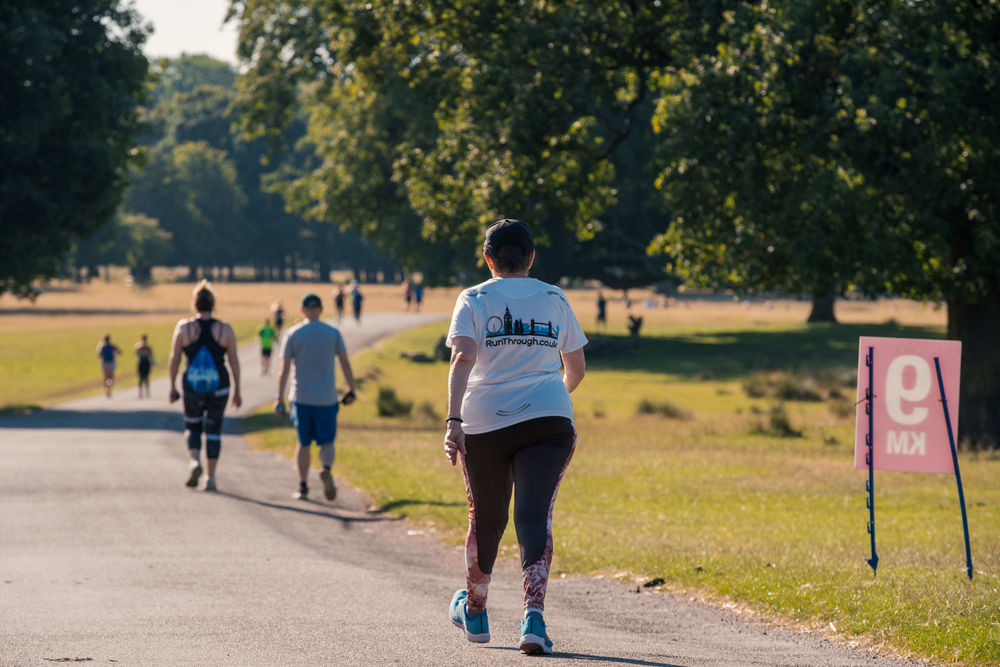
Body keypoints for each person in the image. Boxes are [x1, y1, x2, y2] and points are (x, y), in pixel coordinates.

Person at [444, 219, 587, 655]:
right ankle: (533, 620)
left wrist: (453, 421)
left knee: (487, 518)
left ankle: (476, 610)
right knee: (533, 515)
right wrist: (547, 399)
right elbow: (576, 368)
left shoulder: (474, 298)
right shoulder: (553, 297)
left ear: (488, 259)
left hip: (484, 421)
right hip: (549, 421)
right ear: (531, 258)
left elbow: (464, 356)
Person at [275, 293, 358, 501]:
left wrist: (279, 398)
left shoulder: (293, 334)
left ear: (302, 311)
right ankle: (327, 469)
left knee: (303, 444)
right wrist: (351, 388)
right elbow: (345, 363)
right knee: (327, 442)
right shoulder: (332, 332)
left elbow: (284, 370)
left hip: (301, 397)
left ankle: (302, 487)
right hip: (327, 398)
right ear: (321, 309)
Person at [168, 281, 242, 493]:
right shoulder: (225, 329)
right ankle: (210, 477)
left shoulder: (184, 328)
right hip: (220, 385)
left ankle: (194, 462)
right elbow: (234, 361)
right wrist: (238, 389)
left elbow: (174, 359)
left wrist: (172, 386)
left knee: (192, 425)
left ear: (195, 304)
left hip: (192, 385)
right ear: (213, 304)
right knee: (214, 429)